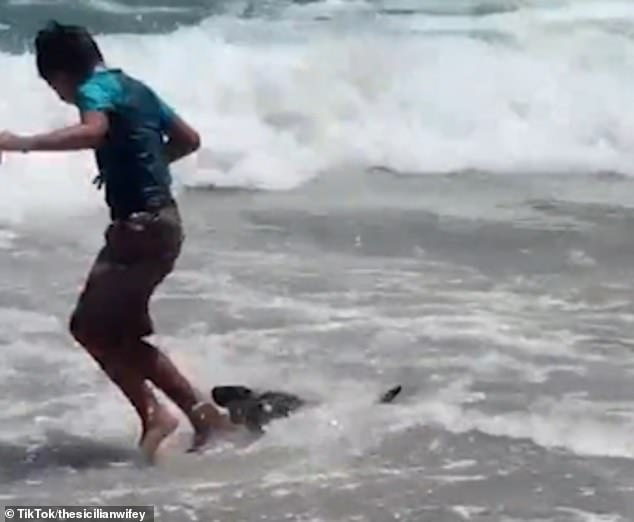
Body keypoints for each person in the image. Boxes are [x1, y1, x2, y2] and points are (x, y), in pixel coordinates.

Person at [0, 21, 232, 461]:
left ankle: (161, 414)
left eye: (55, 87)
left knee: (89, 329)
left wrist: (21, 143)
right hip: (164, 225)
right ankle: (200, 416)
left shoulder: (93, 90)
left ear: (61, 75)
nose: (61, 96)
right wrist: (144, 164)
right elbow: (189, 139)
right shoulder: (136, 88)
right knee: (116, 334)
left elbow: (92, 131)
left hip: (139, 229)